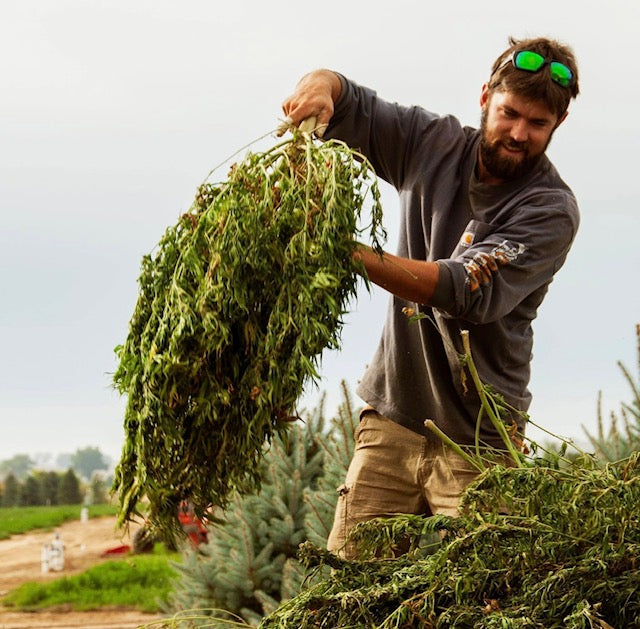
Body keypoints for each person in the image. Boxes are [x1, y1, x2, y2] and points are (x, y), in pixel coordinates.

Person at [282, 37, 580, 557]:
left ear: (559, 124)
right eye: (510, 113)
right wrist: (320, 86)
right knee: (343, 592)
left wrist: (343, 250)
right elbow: (352, 103)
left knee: (481, 599)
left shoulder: (549, 209)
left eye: (537, 124)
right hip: (391, 422)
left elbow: (460, 290)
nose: (518, 133)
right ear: (485, 96)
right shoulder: (432, 143)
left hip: (480, 442)